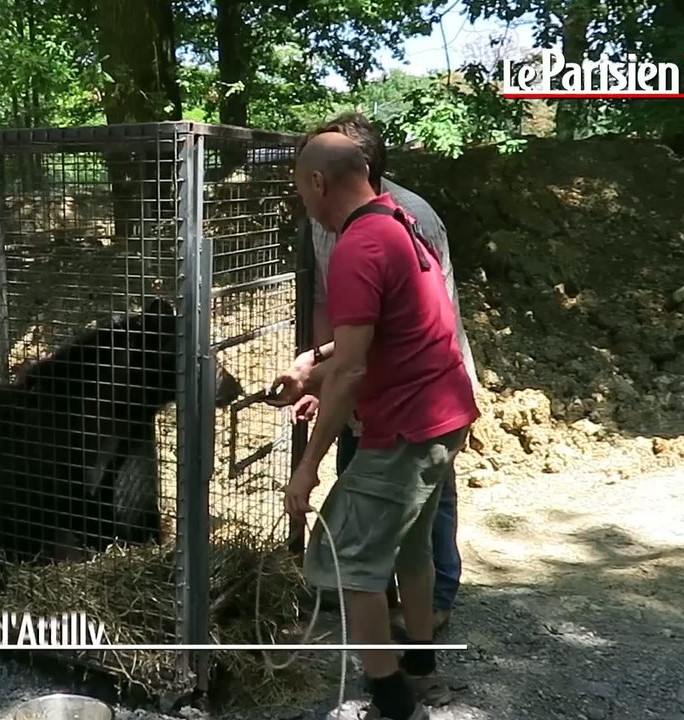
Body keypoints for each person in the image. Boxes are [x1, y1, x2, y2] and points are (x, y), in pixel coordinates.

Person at [269, 129, 479, 719]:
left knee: (351, 559)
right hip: (443, 416)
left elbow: (355, 369)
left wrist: (305, 469)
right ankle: (421, 670)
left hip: (408, 427)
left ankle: (390, 700)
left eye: (300, 188)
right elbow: (375, 335)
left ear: (317, 182)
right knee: (411, 550)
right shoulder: (396, 222)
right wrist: (313, 366)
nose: (302, 200)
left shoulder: (357, 247)